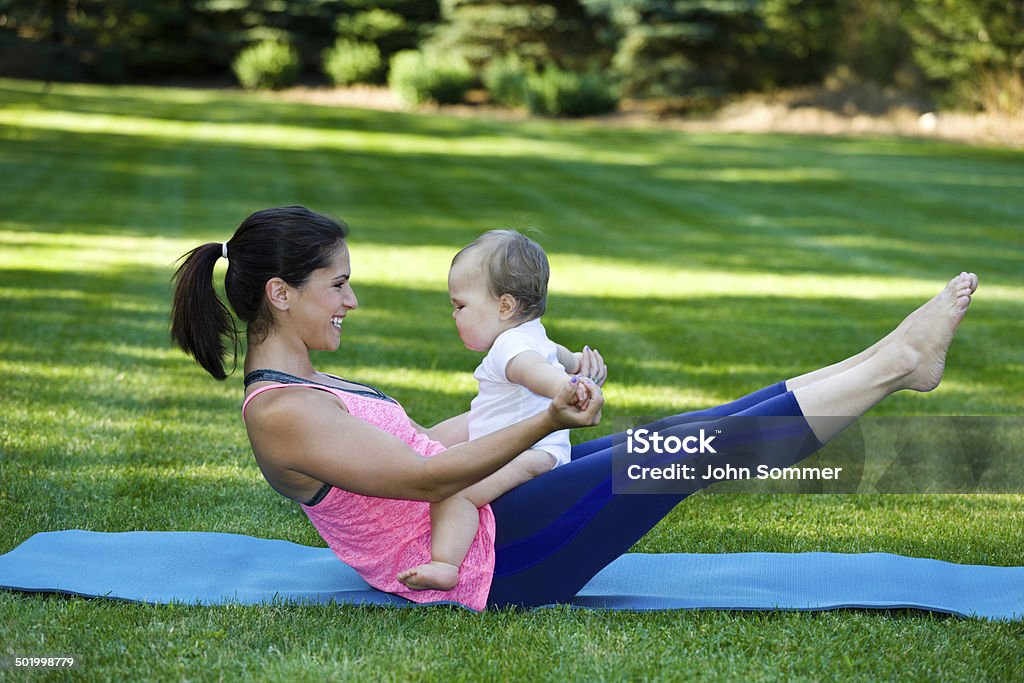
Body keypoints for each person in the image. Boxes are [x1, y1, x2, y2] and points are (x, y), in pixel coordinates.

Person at [170, 205, 978, 611]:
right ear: (281, 292)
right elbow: (424, 478)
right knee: (687, 454)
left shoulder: (315, 386)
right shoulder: (278, 411)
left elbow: (424, 440)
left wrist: (524, 397)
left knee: (679, 439)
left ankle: (887, 361)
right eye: (337, 283)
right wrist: (545, 420)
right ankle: (898, 364)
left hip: (495, 518)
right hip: (495, 564)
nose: (352, 298)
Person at [395, 230, 608, 592]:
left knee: (453, 490)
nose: (454, 315)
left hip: (532, 454)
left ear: (504, 306)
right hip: (542, 451)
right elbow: (559, 356)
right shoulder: (533, 334)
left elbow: (534, 371)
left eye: (460, 305)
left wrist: (566, 389)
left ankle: (445, 564)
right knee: (440, 446)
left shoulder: (511, 349)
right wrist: (580, 366)